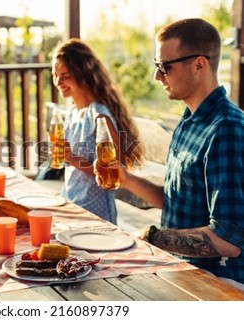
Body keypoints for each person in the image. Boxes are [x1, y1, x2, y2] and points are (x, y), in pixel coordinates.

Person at [95, 18, 244, 287]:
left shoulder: (227, 130)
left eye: (165, 67)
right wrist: (126, 179)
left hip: (219, 283)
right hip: (181, 268)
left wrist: (154, 237)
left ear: (200, 64)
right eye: (157, 66)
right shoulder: (189, 120)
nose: (157, 76)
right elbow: (178, 202)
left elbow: (229, 239)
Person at [50, 38, 145, 224]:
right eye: (55, 75)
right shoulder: (72, 112)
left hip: (94, 213)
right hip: (71, 202)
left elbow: (114, 170)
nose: (58, 81)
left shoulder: (100, 116)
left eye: (65, 75)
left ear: (82, 73)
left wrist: (71, 159)